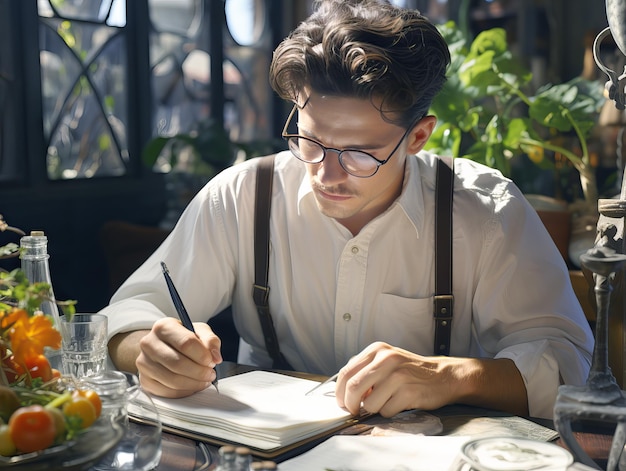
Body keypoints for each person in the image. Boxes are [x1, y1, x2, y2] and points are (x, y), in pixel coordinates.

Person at [101, 0, 593, 420]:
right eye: (310, 140)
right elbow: (125, 315)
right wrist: (149, 349)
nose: (326, 174)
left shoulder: (484, 210)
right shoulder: (245, 195)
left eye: (359, 153)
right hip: (267, 449)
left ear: (418, 136)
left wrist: (450, 376)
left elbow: (570, 364)